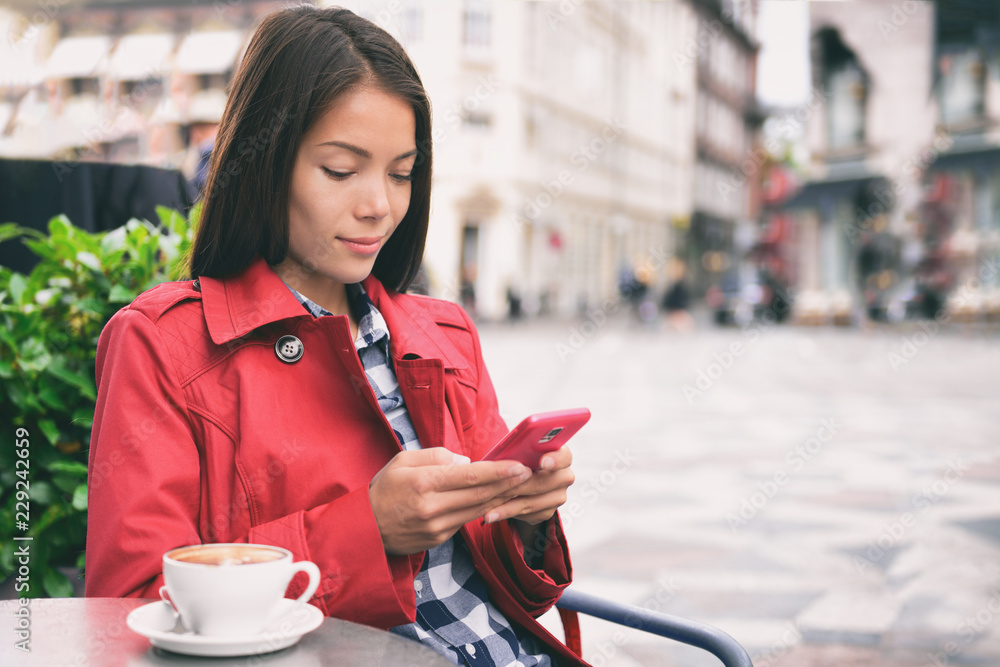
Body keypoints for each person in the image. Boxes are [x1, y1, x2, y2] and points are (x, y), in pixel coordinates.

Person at [85, 6, 581, 665]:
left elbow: (513, 589)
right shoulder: (163, 345)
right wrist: (367, 529)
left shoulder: (446, 334)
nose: (379, 204)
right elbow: (131, 613)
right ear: (265, 162)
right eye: (342, 170)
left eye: (402, 173)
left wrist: (528, 519)